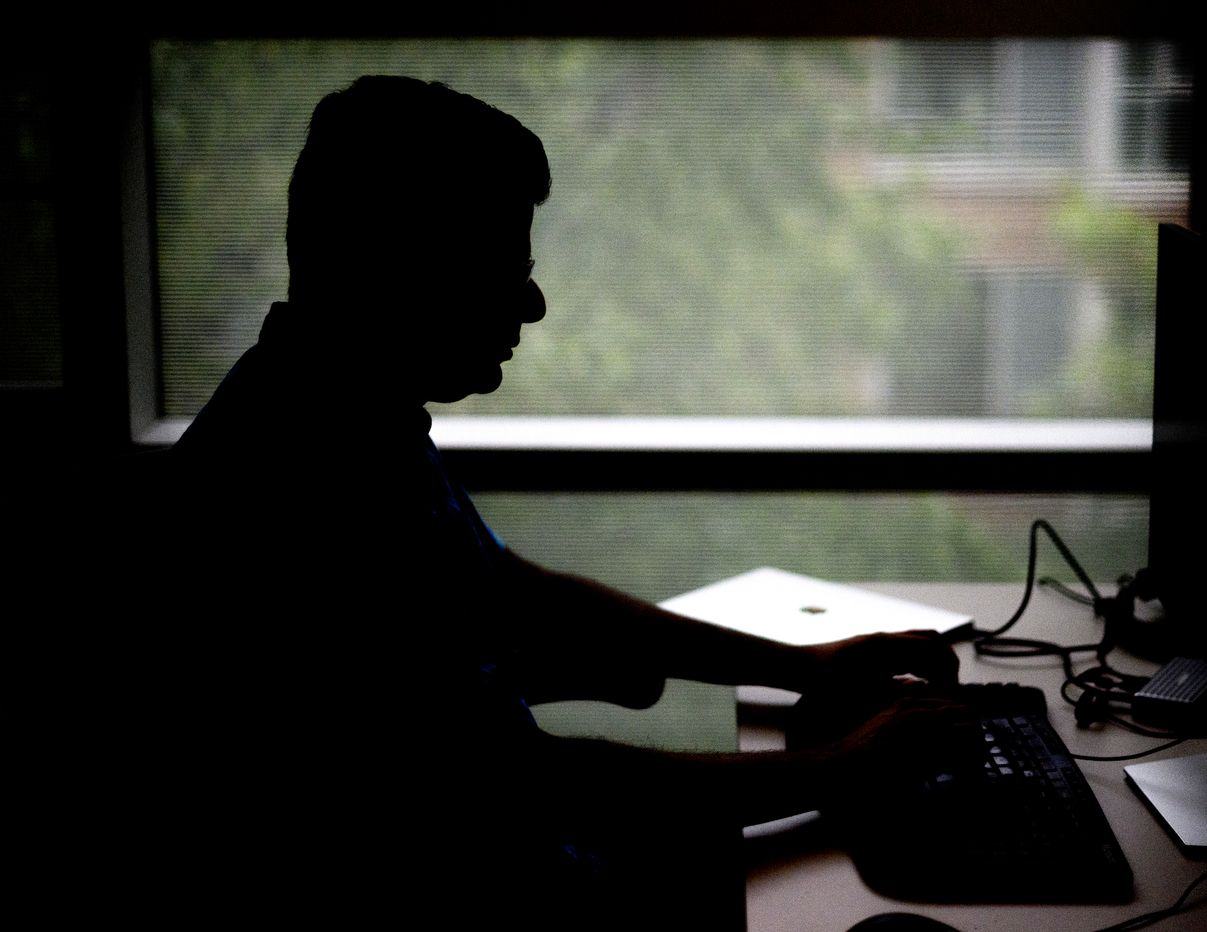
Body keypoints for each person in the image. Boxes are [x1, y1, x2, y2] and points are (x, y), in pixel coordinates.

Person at [124, 76, 972, 928]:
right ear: (401, 269)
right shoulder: (300, 485)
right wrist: (842, 767)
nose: (532, 302)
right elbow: (532, 787)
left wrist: (806, 664)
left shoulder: (338, 407)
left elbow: (518, 592)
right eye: (505, 271)